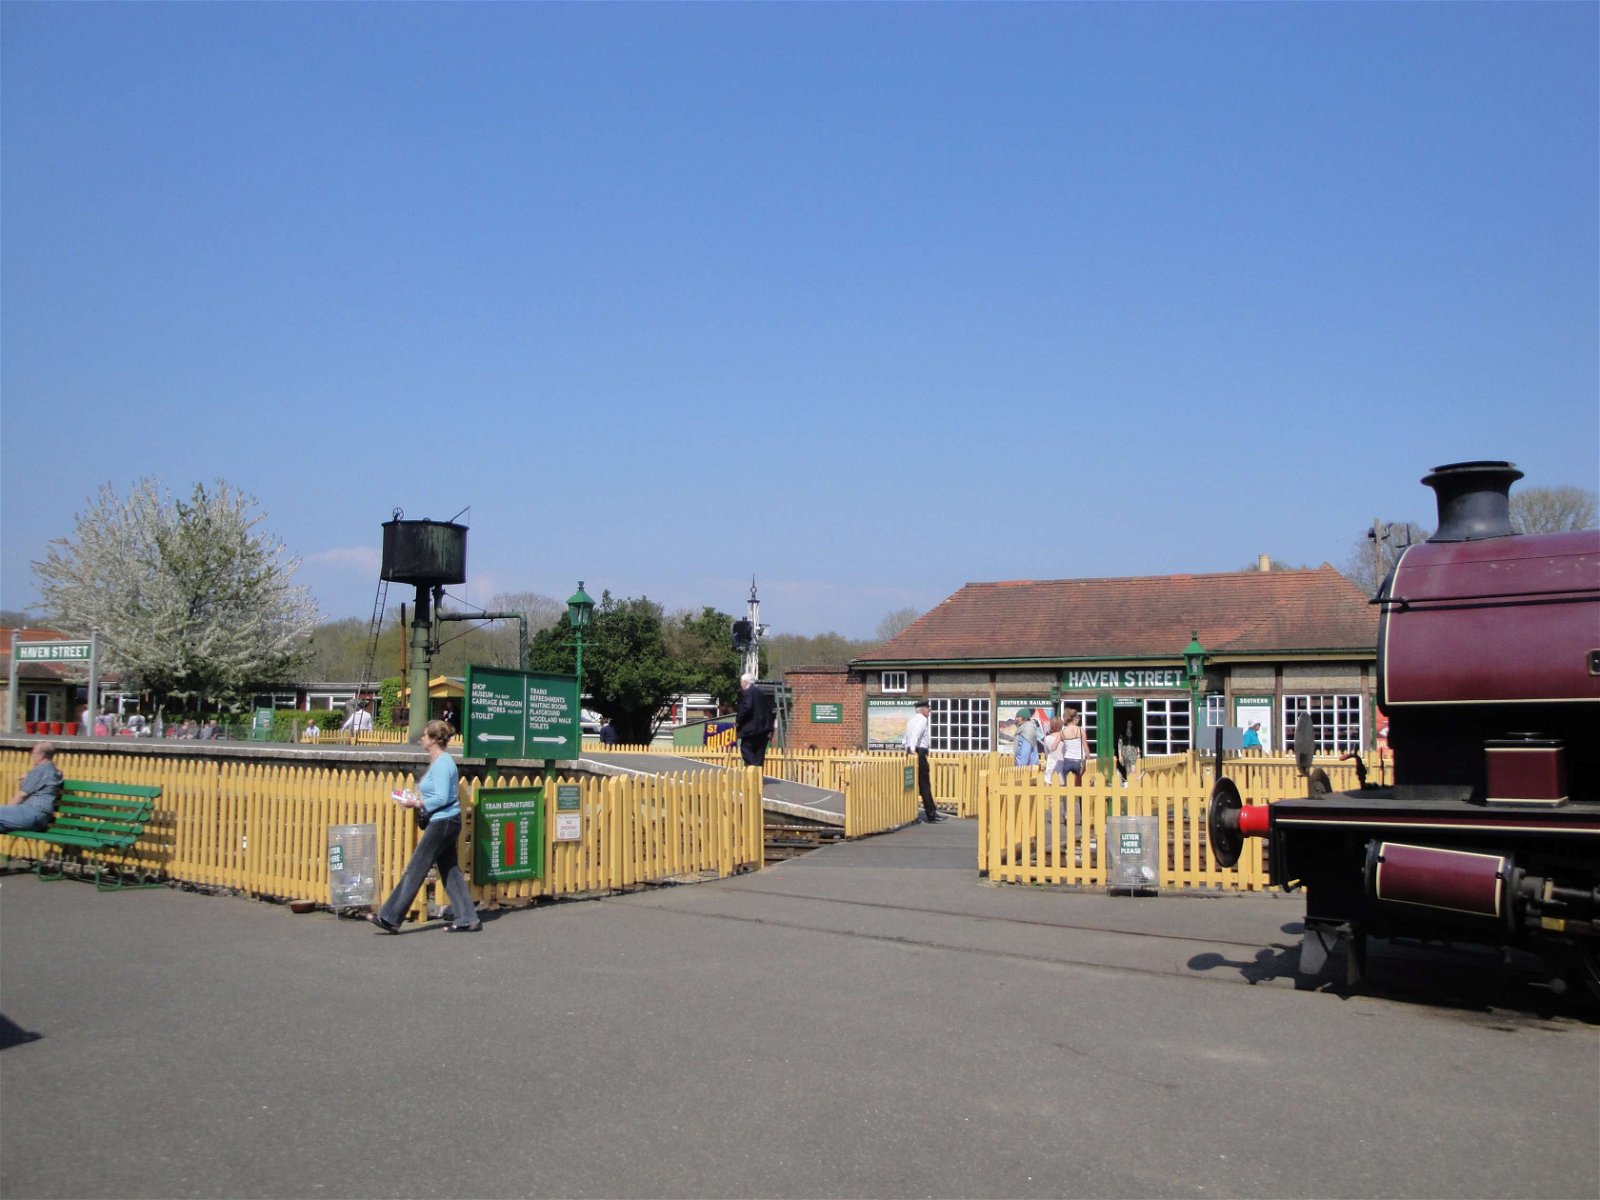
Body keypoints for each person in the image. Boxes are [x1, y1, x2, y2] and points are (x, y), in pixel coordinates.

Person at [368, 720, 481, 934]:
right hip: (446, 819)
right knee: (450, 871)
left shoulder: (442, 763)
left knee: (416, 867)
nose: (422, 739)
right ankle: (467, 918)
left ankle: (390, 917)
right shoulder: (440, 761)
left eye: (424, 736)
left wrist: (417, 803)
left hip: (443, 821)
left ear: (433, 740)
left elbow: (441, 797)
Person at [0, 742, 64, 833]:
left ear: (41, 756)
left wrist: (8, 812)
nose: (32, 755)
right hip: (41, 818)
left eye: (33, 753)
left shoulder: (40, 770)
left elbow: (21, 796)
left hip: (32, 814)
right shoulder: (54, 771)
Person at [902, 698, 944, 822]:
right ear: (923, 709)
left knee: (910, 783)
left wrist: (908, 749)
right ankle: (931, 814)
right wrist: (914, 749)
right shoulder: (922, 719)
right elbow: (915, 734)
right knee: (924, 783)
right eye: (928, 708)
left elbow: (905, 738)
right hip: (919, 753)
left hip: (910, 752)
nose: (929, 710)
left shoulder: (911, 720)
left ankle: (910, 812)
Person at [735, 674, 775, 767]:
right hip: (764, 729)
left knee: (746, 749)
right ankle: (758, 776)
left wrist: (738, 720)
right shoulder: (761, 692)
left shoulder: (749, 692)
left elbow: (746, 707)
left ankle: (753, 771)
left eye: (741, 682)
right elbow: (769, 709)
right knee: (759, 753)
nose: (740, 684)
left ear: (745, 682)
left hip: (752, 729)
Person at [1059, 707, 1087, 784]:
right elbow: (1085, 747)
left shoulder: (1062, 732)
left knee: (1068, 786)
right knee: (1080, 784)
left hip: (1067, 760)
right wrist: (1088, 757)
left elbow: (1060, 744)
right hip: (1078, 761)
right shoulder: (1080, 730)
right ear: (1074, 718)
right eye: (1077, 717)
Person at [1042, 717, 1068, 783]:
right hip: (1063, 765)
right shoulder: (1065, 739)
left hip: (1051, 766)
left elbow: (1047, 754)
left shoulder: (1047, 739)